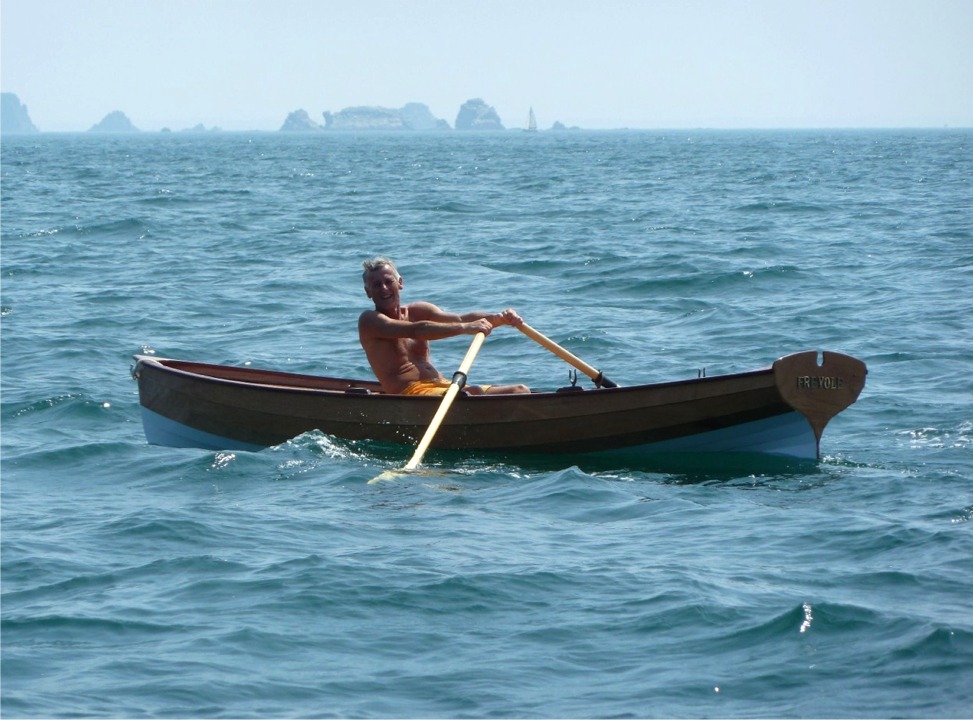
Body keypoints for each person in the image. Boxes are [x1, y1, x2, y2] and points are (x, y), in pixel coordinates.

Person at [358, 256, 531, 396]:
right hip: (410, 392)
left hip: (442, 385)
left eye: (388, 282)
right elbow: (417, 330)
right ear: (368, 292)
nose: (384, 288)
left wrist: (499, 318)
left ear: (400, 283)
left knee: (521, 391)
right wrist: (465, 328)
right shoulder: (370, 321)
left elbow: (460, 318)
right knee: (473, 393)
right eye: (376, 285)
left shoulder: (419, 310)